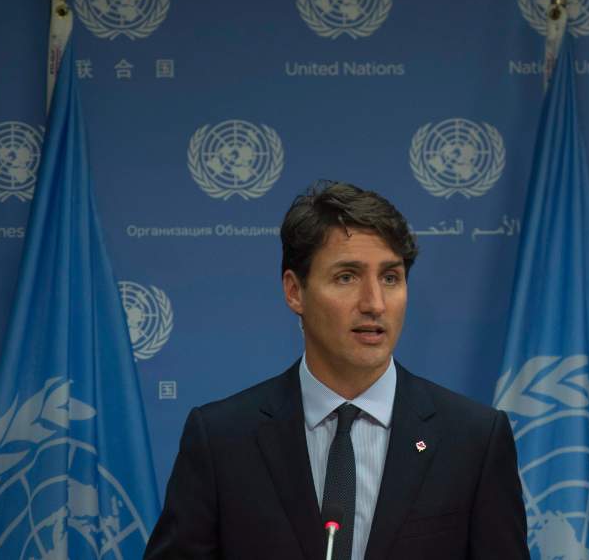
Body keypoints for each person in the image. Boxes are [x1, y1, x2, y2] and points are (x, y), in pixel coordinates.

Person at [144, 181, 528, 559]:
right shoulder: (222, 440)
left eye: (390, 278)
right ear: (295, 292)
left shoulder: (473, 439)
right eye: (347, 277)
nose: (374, 303)